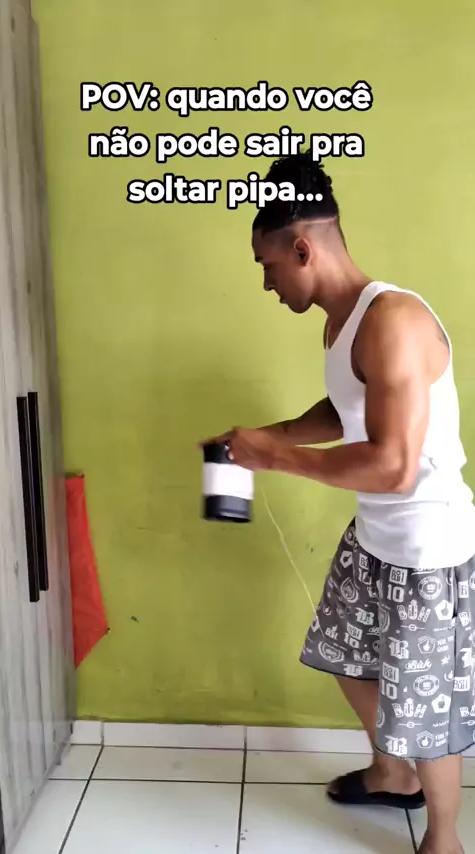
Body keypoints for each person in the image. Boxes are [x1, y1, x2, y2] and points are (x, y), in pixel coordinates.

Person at [202, 151, 475, 854]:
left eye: (268, 266)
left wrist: (275, 459)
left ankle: (444, 839)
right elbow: (348, 405)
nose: (267, 283)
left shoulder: (393, 320)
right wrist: (268, 437)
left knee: (423, 709)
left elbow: (393, 465)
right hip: (376, 536)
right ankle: (392, 774)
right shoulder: (343, 321)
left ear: (303, 249)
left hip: (428, 551)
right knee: (343, 654)